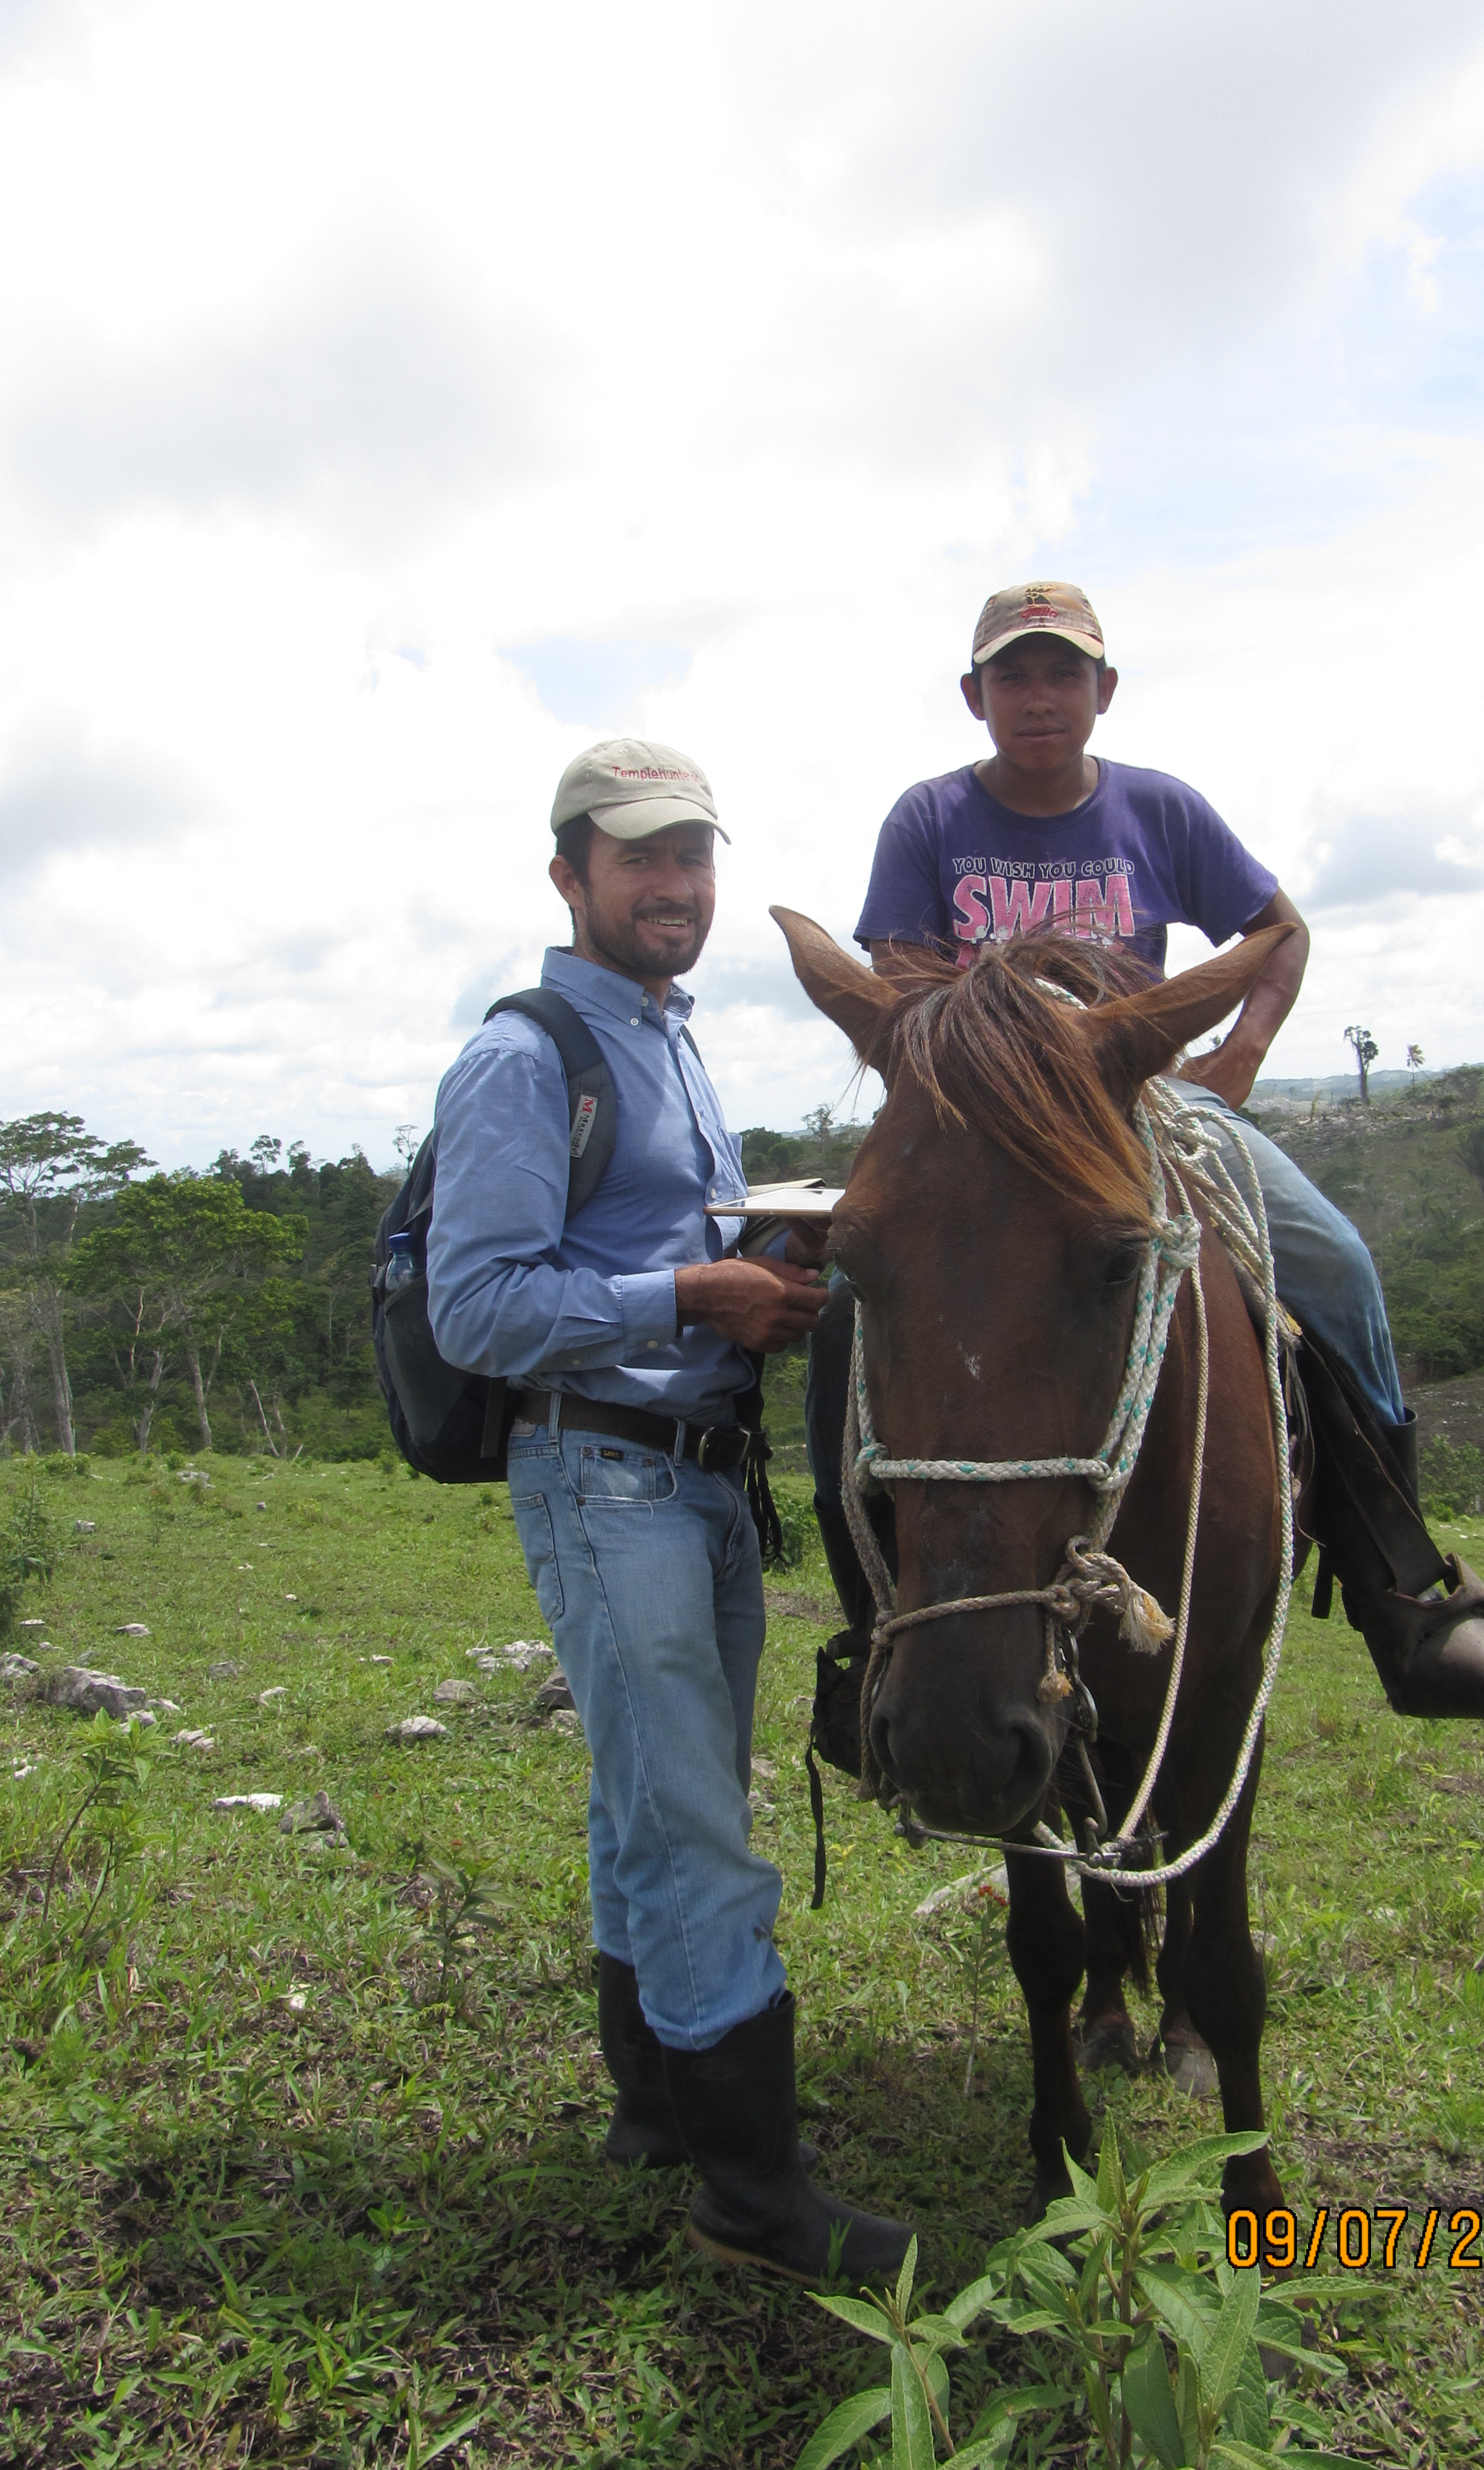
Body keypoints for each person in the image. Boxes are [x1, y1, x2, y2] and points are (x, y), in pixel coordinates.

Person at [806, 586, 1484, 1726]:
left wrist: (1238, 1056)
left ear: (1104, 691)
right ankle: (872, 1623)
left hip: (1136, 1104)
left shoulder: (1162, 809)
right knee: (853, 1306)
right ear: (974, 696)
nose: (1039, 698)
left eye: (1063, 674)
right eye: (1014, 677)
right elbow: (900, 979)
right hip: (985, 1126)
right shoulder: (928, 818)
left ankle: (1398, 1575)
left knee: (1333, 1263)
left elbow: (1277, 930)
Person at [425, 736, 911, 2282]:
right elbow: (477, 1305)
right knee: (700, 1821)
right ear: (570, 876)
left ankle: (654, 2109)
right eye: (639, 857)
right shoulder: (523, 1057)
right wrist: (693, 1290)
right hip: (602, 1469)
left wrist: (768, 1259)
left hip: (698, 1477)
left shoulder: (671, 1036)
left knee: (649, 1794)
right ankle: (755, 2199)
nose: (675, 885)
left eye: (693, 855)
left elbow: (643, 1240)